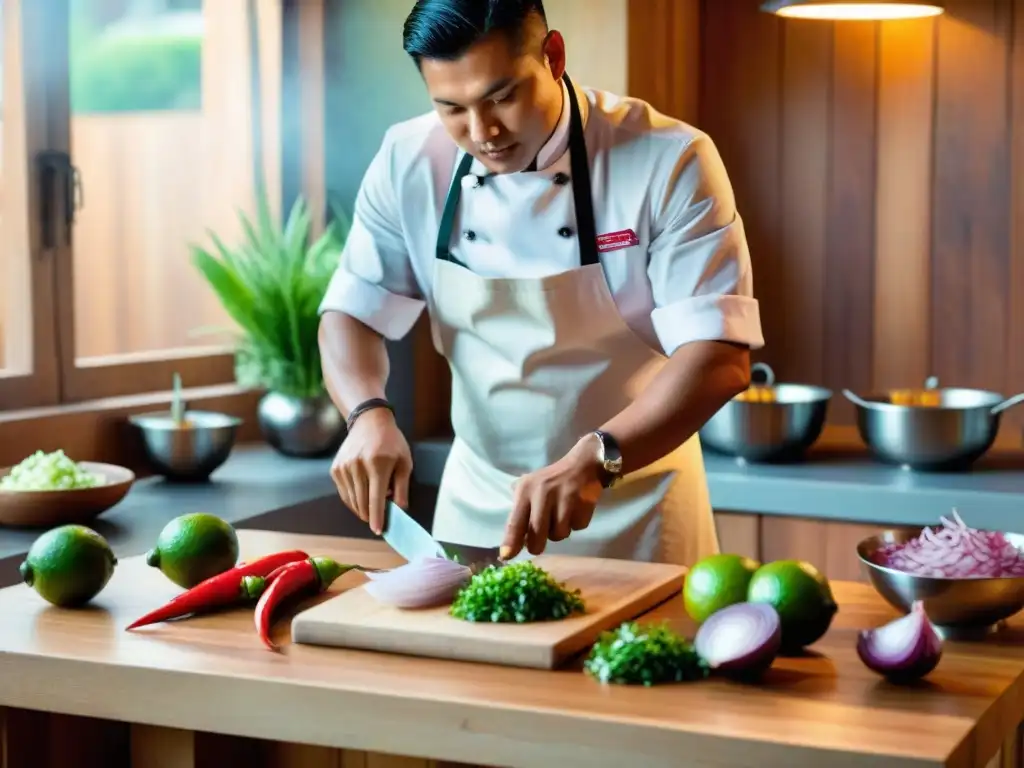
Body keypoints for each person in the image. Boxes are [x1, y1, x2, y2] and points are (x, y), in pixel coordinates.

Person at [317, 0, 764, 566]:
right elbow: (351, 313)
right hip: (477, 509)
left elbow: (719, 356)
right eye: (451, 108)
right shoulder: (408, 160)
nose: (484, 133)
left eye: (502, 97)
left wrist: (597, 458)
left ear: (553, 57)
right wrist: (366, 415)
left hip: (637, 504)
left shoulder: (667, 158)